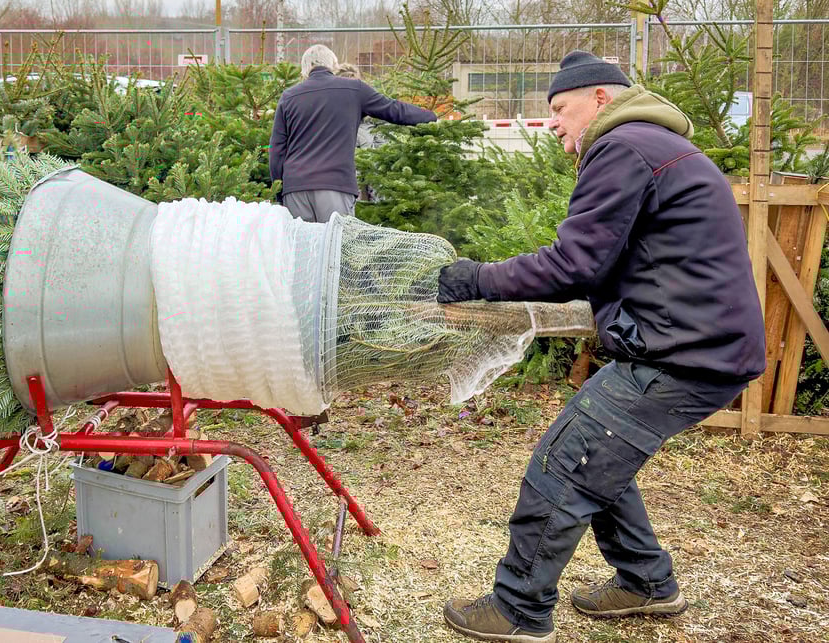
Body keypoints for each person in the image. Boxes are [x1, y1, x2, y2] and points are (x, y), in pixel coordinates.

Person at [436, 50, 766, 642]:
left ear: (602, 100)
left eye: (562, 108)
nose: (554, 122)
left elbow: (574, 265)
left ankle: (517, 610)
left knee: (565, 462)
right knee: (603, 453)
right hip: (701, 347)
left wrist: (475, 278)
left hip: (682, 356)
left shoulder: (623, 147)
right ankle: (646, 583)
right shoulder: (654, 146)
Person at [269, 45, 437, 223]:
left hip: (295, 189)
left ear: (304, 69)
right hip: (335, 185)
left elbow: (277, 148)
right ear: (334, 65)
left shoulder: (289, 97)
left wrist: (280, 191)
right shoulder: (353, 89)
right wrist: (430, 117)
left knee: (303, 249)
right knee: (337, 246)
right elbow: (393, 109)